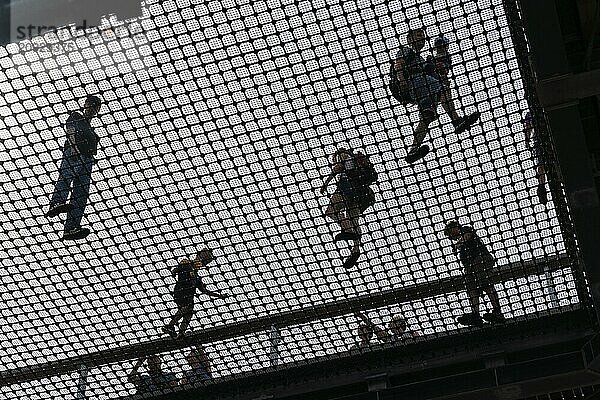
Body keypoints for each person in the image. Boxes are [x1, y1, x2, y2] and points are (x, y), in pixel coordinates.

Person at [390, 29, 479, 163]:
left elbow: (434, 71)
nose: (421, 38)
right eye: (418, 35)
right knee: (442, 89)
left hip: (422, 89)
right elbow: (398, 65)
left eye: (423, 37)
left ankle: (413, 150)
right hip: (413, 84)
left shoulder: (421, 59)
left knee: (427, 117)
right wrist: (402, 81)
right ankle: (456, 121)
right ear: (409, 39)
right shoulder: (407, 51)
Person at [46, 95, 102, 240]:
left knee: (81, 194)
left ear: (97, 110)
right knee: (66, 178)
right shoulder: (76, 116)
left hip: (87, 161)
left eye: (95, 106)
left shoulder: (91, 129)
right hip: (75, 153)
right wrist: (73, 146)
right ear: (85, 105)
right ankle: (56, 202)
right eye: (90, 104)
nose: (92, 108)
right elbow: (70, 130)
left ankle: (71, 228)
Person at [321, 148, 377, 269]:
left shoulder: (343, 156)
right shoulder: (357, 161)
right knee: (354, 219)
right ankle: (356, 249)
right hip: (362, 193)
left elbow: (336, 169)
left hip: (346, 189)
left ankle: (348, 230)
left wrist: (325, 184)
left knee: (331, 211)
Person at [444, 221, 505, 326]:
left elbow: (467, 236)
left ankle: (497, 311)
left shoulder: (465, 230)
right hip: (470, 266)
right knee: (471, 288)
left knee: (485, 283)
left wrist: (457, 245)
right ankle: (475, 314)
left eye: (450, 234)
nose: (451, 238)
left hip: (480, 259)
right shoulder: (462, 242)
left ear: (454, 228)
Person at [162, 249, 227, 339]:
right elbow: (175, 270)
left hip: (189, 296)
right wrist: (177, 270)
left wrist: (220, 296)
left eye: (204, 263)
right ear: (198, 256)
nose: (202, 265)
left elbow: (204, 291)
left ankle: (180, 333)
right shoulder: (186, 264)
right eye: (202, 261)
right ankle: (170, 326)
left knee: (189, 312)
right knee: (187, 307)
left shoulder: (197, 277)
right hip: (181, 292)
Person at [524, 111, 548, 204]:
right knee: (541, 165)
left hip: (542, 139)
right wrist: (527, 139)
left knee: (541, 165)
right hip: (539, 140)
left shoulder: (536, 112)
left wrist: (527, 139)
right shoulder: (530, 115)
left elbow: (528, 128)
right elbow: (528, 128)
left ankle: (542, 186)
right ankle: (542, 187)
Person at [355, 312, 420, 343]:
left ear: (398, 324)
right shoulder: (390, 338)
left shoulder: (412, 334)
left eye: (392, 322)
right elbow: (376, 329)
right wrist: (363, 318)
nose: (389, 324)